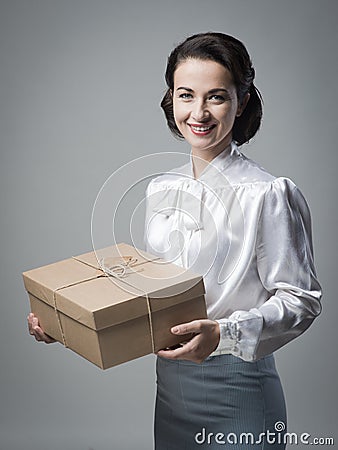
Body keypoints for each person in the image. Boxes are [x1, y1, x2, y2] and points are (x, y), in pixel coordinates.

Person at [28, 32, 322, 449]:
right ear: (172, 101)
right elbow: (153, 293)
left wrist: (224, 333)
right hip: (171, 389)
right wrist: (65, 321)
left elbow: (302, 299)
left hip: (239, 387)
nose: (198, 112)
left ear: (241, 102)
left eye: (216, 97)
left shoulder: (267, 193)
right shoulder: (161, 190)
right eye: (186, 95)